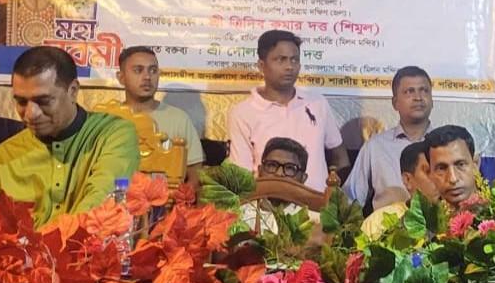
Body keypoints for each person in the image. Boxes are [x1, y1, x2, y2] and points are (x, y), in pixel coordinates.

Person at [0, 46, 140, 227]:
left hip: (90, 243)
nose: (31, 114)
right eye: (21, 102)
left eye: (43, 101)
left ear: (72, 91)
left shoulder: (113, 135)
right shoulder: (3, 158)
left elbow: (100, 205)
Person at [227, 30, 347, 191]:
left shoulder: (317, 103)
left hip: (317, 204)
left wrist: (331, 196)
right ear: (261, 65)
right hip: (265, 204)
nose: (289, 66)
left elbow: (340, 157)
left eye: (294, 59)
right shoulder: (243, 113)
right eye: (281, 59)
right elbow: (242, 177)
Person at [343, 66, 434, 211]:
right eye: (409, 91)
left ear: (432, 100)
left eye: (424, 90)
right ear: (395, 103)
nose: (418, 97)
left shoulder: (444, 146)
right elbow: (349, 200)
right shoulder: (376, 147)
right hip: (387, 224)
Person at [116, 46, 205, 189]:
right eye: (138, 70)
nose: (147, 77)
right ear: (121, 77)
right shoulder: (108, 118)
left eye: (153, 70)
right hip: (116, 200)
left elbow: (196, 175)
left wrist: (181, 197)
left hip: (166, 200)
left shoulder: (178, 118)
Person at [360, 141, 441, 239]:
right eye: (428, 171)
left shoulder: (454, 218)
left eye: (441, 170)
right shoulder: (378, 222)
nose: (438, 178)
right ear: (407, 180)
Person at [424, 125, 480, 209]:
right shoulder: (423, 216)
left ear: (475, 165)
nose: (453, 179)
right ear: (429, 173)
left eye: (460, 165)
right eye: (441, 168)